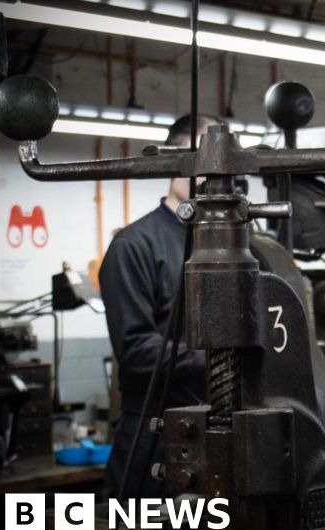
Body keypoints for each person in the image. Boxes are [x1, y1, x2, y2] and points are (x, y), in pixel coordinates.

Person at [99, 114, 222, 498]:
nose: (213, 177)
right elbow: (136, 351)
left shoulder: (228, 245)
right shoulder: (134, 247)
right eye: (204, 162)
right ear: (175, 162)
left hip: (218, 432)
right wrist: (218, 360)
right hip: (153, 435)